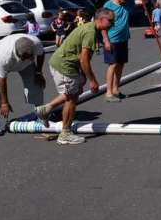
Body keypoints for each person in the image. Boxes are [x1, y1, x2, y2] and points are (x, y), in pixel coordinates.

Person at [33, 9, 115, 145]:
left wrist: (82, 79)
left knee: (75, 92)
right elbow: (84, 60)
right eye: (110, 21)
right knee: (71, 98)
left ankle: (46, 109)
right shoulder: (90, 33)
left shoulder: (91, 27)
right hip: (64, 65)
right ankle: (65, 134)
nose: (113, 24)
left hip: (67, 64)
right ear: (100, 20)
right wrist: (93, 81)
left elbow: (83, 58)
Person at [0, 34, 46, 136]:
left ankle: (40, 116)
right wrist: (5, 103)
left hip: (22, 57)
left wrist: (38, 72)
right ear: (20, 55)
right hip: (0, 53)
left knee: (35, 82)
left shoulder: (36, 43)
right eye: (27, 57)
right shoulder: (3, 57)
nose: (31, 59)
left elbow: (41, 54)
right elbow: (2, 80)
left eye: (31, 56)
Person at [101, 0, 146, 102]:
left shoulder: (127, 3)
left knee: (120, 64)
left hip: (123, 38)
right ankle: (108, 92)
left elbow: (143, 1)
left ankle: (116, 90)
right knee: (113, 64)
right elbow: (101, 25)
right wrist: (105, 40)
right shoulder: (108, 5)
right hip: (112, 39)